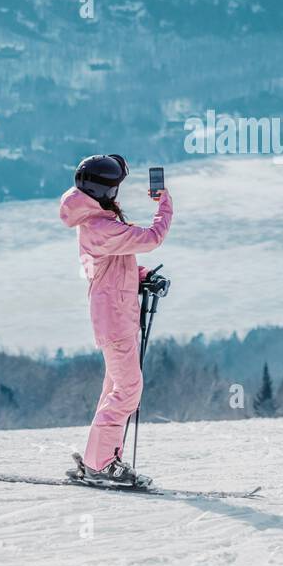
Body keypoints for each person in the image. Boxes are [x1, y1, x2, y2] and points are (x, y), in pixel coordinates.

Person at [58, 154, 172, 487]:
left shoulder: (94, 220)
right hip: (115, 319)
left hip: (116, 313)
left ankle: (99, 458)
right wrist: (165, 203)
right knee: (127, 389)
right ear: (103, 191)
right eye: (115, 187)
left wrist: (141, 276)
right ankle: (100, 464)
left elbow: (110, 267)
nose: (117, 193)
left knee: (115, 388)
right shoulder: (101, 226)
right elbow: (152, 238)